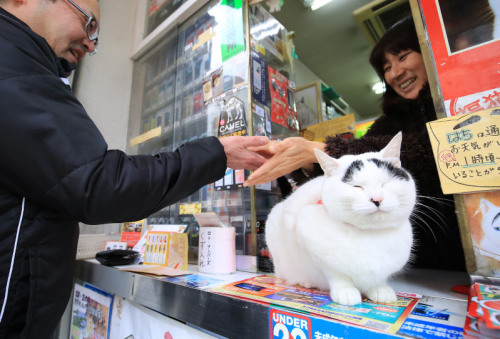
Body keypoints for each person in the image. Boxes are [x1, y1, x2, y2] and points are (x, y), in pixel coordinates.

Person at [0, 0, 269, 337]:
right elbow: (102, 183)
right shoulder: (15, 71)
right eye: (88, 24)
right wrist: (216, 153)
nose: (89, 43)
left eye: (94, 36)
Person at [244, 17, 467, 273]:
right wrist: (309, 158)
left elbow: (429, 152)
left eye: (403, 56)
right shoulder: (388, 123)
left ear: (430, 50)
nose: (394, 72)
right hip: (406, 267)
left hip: (470, 258)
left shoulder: (464, 103)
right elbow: (349, 173)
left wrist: (317, 150)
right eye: (386, 67)